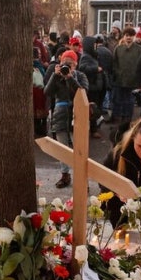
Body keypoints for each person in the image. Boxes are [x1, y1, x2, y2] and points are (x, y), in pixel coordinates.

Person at [44, 50, 89, 188]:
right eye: (65, 63)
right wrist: (55, 75)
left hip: (77, 115)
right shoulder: (56, 76)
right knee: (63, 149)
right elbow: (47, 92)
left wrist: (70, 78)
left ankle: (82, 178)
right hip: (60, 114)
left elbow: (82, 92)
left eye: (70, 64)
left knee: (79, 149)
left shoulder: (80, 76)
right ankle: (65, 175)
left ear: (75, 64)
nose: (67, 66)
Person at [111, 27, 141, 125]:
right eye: (127, 35)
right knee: (119, 100)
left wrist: (138, 79)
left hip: (133, 81)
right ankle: (118, 119)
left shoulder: (139, 49)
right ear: (124, 36)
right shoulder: (118, 48)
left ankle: (127, 119)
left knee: (129, 101)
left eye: (131, 36)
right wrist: (118, 73)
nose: (129, 38)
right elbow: (115, 63)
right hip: (120, 80)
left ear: (134, 37)